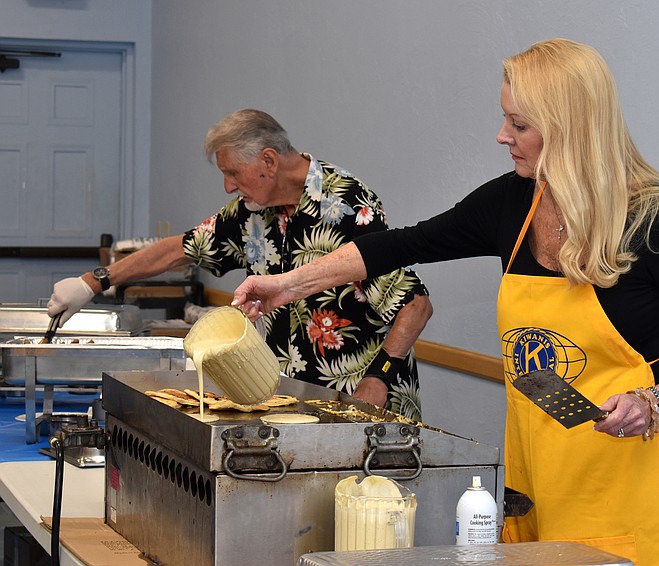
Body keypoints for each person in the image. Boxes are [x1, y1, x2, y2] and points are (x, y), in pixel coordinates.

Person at [231, 40, 659, 565]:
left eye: (519, 125)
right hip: (538, 469)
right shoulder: (514, 201)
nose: (503, 136)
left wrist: (656, 402)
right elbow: (400, 244)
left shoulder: (652, 217)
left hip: (633, 470)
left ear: (567, 125)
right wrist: (289, 284)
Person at [47, 109, 433, 420]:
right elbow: (180, 248)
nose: (229, 186)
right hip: (293, 402)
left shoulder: (346, 205)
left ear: (268, 161)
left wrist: (378, 379)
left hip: (364, 403)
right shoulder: (252, 211)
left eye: (232, 172)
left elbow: (415, 305)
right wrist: (93, 282)